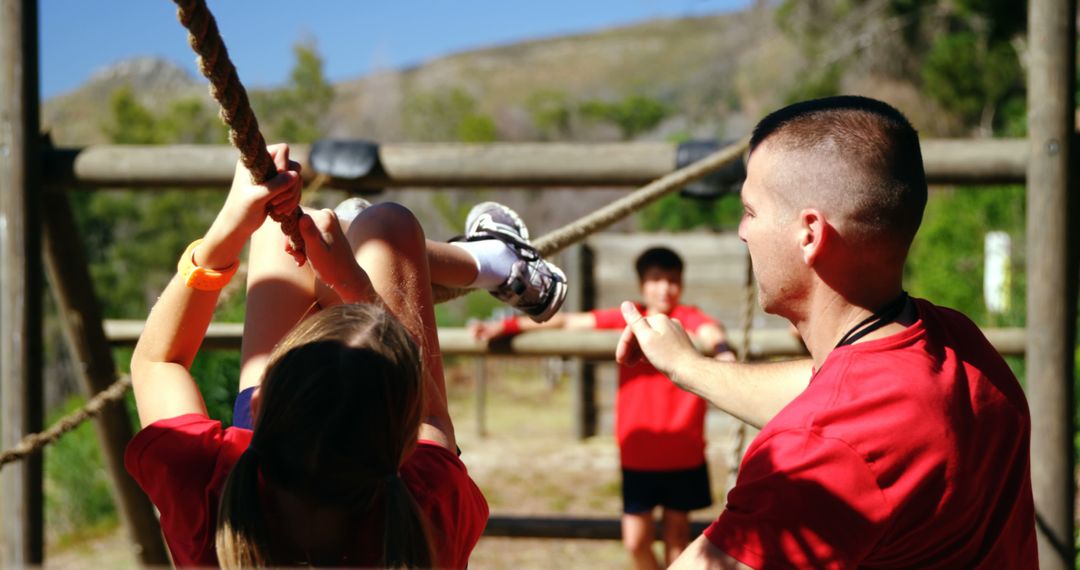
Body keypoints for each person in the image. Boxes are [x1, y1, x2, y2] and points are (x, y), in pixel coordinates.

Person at [616, 96, 1037, 568]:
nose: (741, 231)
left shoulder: (821, 451)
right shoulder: (958, 342)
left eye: (751, 211)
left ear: (810, 234)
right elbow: (829, 393)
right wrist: (686, 366)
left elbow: (832, 425)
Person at [123, 144, 566, 568]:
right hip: (279, 446)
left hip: (277, 468)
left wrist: (355, 288)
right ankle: (500, 263)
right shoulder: (199, 488)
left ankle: (499, 263)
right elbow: (157, 364)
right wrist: (232, 232)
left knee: (298, 239)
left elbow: (155, 363)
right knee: (386, 232)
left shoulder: (425, 511)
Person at [473, 246, 735, 569]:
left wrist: (722, 351)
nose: (664, 288)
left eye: (672, 280)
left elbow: (712, 332)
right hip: (638, 450)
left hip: (683, 449)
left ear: (681, 283)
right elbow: (570, 322)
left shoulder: (688, 318)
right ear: (642, 284)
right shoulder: (629, 318)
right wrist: (510, 327)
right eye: (656, 279)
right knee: (635, 541)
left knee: (677, 539)